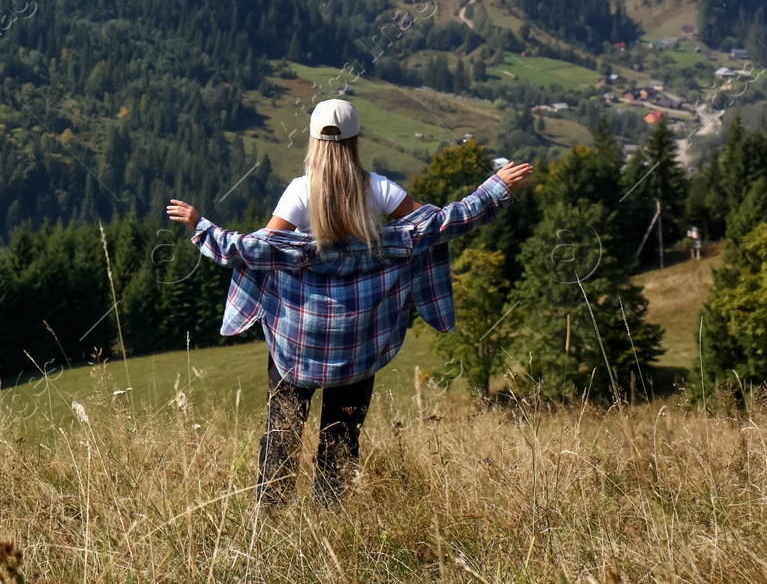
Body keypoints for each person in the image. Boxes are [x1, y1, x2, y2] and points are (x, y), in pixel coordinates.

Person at [165, 98, 532, 506]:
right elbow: (437, 226)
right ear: (358, 140)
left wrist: (201, 226)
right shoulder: (380, 189)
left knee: (282, 428)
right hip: (360, 339)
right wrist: (493, 190)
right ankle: (329, 515)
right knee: (342, 433)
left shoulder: (300, 192)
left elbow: (255, 250)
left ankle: (270, 517)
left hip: (297, 341)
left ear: (311, 142)